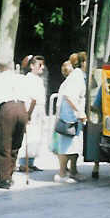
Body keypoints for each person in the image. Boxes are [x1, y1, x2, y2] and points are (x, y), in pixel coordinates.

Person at [0, 58, 29, 189]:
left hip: (6, 110)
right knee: (15, 144)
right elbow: (29, 98)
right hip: (21, 108)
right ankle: (10, 175)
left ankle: (4, 179)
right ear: (12, 66)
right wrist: (27, 116)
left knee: (3, 144)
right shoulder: (21, 79)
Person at [49, 54, 87, 183]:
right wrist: (80, 112)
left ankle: (73, 171)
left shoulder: (79, 76)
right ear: (83, 63)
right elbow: (69, 96)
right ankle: (62, 173)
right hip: (69, 117)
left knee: (73, 145)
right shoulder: (77, 77)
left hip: (73, 117)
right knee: (65, 146)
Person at [17, 54, 46, 172]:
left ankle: (31, 161)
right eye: (39, 65)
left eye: (43, 65)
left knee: (36, 137)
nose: (42, 68)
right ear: (32, 66)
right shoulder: (28, 79)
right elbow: (31, 98)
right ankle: (24, 163)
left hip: (38, 111)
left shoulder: (39, 80)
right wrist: (28, 114)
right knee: (29, 137)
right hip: (31, 111)